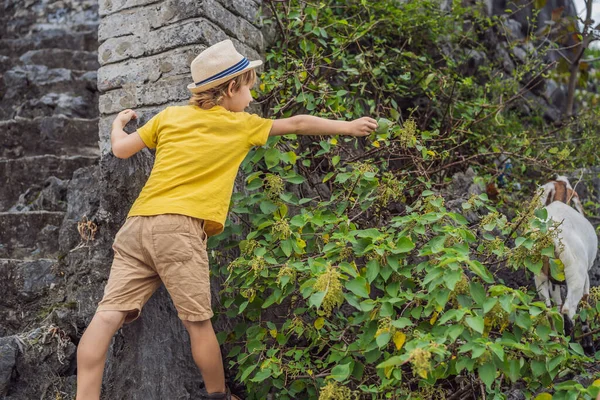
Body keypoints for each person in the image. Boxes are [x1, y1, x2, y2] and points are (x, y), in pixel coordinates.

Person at [75, 39, 378, 400]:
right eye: (249, 88)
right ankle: (218, 396)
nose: (252, 97)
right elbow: (297, 123)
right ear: (231, 88)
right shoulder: (241, 126)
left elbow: (121, 149)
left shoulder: (170, 116)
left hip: (137, 225)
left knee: (106, 317)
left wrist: (118, 124)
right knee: (197, 323)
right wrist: (348, 126)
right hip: (180, 230)